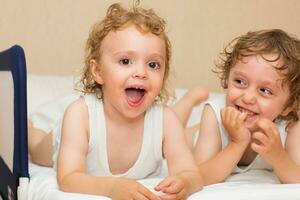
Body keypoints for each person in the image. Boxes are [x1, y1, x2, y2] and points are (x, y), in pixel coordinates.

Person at [28, 1, 207, 199]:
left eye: (153, 64)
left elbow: (192, 174)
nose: (141, 72)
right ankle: (27, 127)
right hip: (57, 144)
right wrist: (113, 188)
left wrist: (185, 183)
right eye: (125, 61)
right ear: (97, 71)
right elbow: (69, 178)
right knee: (35, 147)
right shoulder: (80, 115)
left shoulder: (166, 119)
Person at [178, 29, 300, 185]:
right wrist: (236, 143)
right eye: (240, 82)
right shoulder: (214, 113)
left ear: (288, 106)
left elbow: (297, 178)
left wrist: (278, 156)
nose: (248, 98)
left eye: (265, 90)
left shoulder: (292, 125)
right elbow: (198, 176)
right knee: (168, 132)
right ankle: (188, 101)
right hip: (191, 138)